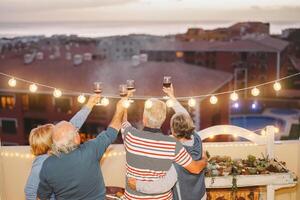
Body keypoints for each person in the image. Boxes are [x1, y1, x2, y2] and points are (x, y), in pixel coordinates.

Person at [121, 89, 207, 200]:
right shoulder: (173, 145)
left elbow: (123, 120)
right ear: (163, 119)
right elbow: (195, 168)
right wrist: (205, 160)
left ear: (144, 118)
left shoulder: (130, 136)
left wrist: (125, 99)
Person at [37, 99, 126, 200]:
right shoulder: (90, 150)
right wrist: (120, 109)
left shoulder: (48, 165)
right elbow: (112, 131)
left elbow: (42, 197)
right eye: (76, 131)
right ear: (76, 138)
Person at [24, 94, 100, 200]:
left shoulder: (57, 150)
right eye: (56, 131)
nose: (60, 132)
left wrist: (89, 104)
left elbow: (72, 125)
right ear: (51, 142)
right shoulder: (41, 164)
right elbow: (30, 192)